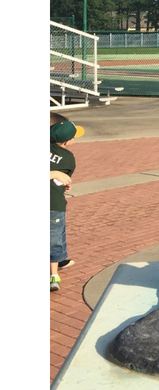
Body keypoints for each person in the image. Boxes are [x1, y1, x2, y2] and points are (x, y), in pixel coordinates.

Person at [50, 114, 84, 293]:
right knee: (54, 237)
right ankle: (53, 274)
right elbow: (66, 174)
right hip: (54, 204)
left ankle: (56, 265)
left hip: (55, 199)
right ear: (65, 142)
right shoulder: (68, 158)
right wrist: (56, 174)